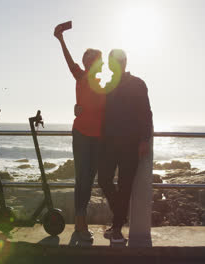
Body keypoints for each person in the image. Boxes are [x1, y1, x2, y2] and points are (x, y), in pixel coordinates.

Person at [54, 23, 106, 241]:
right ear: (91, 62)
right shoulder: (83, 78)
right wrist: (61, 38)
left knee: (89, 178)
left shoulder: (101, 85)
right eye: (100, 59)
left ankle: (80, 222)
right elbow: (69, 62)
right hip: (83, 135)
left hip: (98, 138)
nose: (103, 63)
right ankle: (80, 223)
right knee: (82, 179)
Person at [98, 49, 153, 244]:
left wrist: (145, 139)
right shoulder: (108, 86)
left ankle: (118, 229)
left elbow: (146, 114)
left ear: (125, 62)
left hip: (130, 145)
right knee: (104, 179)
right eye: (113, 61)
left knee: (125, 187)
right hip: (109, 144)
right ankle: (119, 217)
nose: (116, 64)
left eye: (119, 60)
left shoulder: (138, 84)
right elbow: (101, 114)